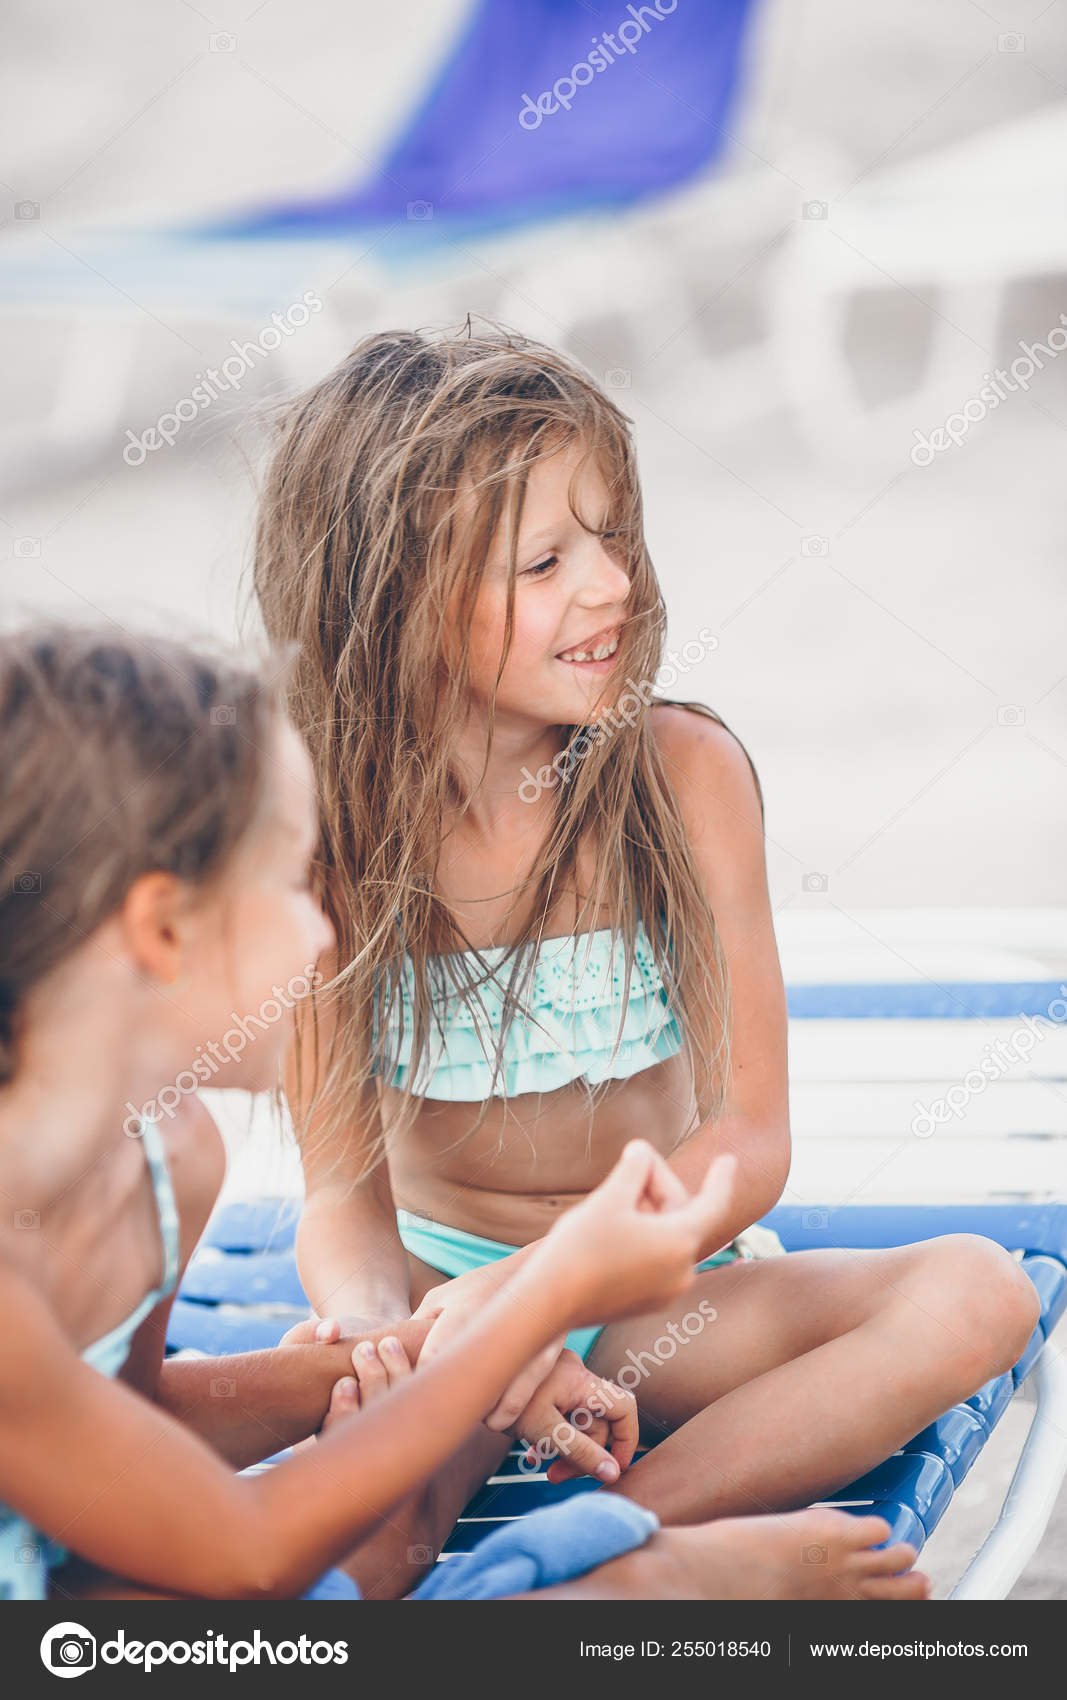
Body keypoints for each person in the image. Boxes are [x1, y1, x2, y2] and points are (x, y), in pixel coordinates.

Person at [253, 320, 1039, 1543]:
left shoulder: (681, 777)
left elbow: (749, 1135)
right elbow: (341, 1201)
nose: (611, 584)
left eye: (611, 535)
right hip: (440, 1302)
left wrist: (545, 1291)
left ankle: (600, 1554)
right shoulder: (327, 842)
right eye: (543, 562)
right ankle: (512, 1545)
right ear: (391, 596)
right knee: (375, 1527)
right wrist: (374, 1334)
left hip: (657, 1297)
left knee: (974, 1297)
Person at [0, 625, 928, 1603]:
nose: (324, 931)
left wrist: (388, 1363)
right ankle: (634, 1587)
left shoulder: (166, 1157)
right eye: (288, 882)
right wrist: (541, 1298)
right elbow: (247, 1548)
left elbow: (129, 1421)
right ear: (159, 927)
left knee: (333, 1560)